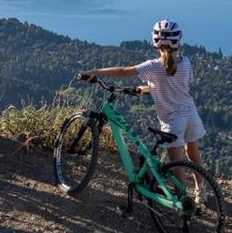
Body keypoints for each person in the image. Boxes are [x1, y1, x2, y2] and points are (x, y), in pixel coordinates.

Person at [81, 19, 208, 195]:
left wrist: (95, 72)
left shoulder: (153, 66)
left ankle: (182, 197)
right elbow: (177, 87)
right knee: (193, 155)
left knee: (176, 163)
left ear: (155, 41)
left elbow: (122, 72)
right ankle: (201, 191)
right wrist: (148, 89)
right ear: (178, 40)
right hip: (191, 115)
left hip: (173, 120)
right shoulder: (185, 63)